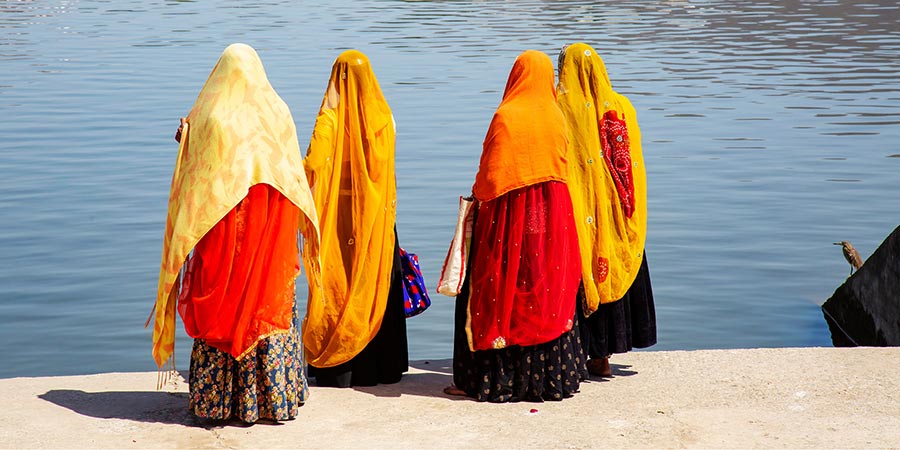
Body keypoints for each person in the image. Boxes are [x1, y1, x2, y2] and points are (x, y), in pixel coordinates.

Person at [150, 43, 322, 423]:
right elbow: (291, 177)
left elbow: (200, 171)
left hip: (226, 242)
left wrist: (186, 138)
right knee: (267, 308)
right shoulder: (277, 112)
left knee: (225, 308)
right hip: (270, 243)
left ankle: (218, 402)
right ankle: (274, 400)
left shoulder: (212, 118)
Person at [446, 50, 588, 402]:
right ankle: (550, 379)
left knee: (498, 285)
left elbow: (491, 177)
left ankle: (493, 380)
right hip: (551, 217)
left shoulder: (506, 116)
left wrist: (476, 197)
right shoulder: (556, 116)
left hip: (507, 218)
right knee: (544, 285)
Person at [302, 50, 408, 387]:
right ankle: (383, 366)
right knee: (375, 284)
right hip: (377, 222)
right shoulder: (384, 118)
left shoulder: (329, 120)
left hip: (341, 220)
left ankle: (340, 368)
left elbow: (312, 165)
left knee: (340, 286)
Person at [556, 43, 657, 377]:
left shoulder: (559, 109)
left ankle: (577, 354)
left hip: (578, 213)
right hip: (618, 216)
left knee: (581, 277)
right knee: (613, 268)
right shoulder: (623, 107)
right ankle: (603, 357)